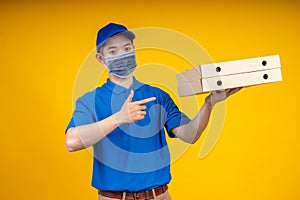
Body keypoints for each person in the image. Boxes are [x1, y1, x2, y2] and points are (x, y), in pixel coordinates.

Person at [65, 22, 242, 200]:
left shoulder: (157, 96)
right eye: (113, 51)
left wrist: (209, 104)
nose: (122, 55)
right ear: (101, 59)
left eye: (127, 48)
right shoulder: (90, 100)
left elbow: (190, 135)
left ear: (134, 50)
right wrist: (119, 118)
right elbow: (71, 142)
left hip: (159, 196)